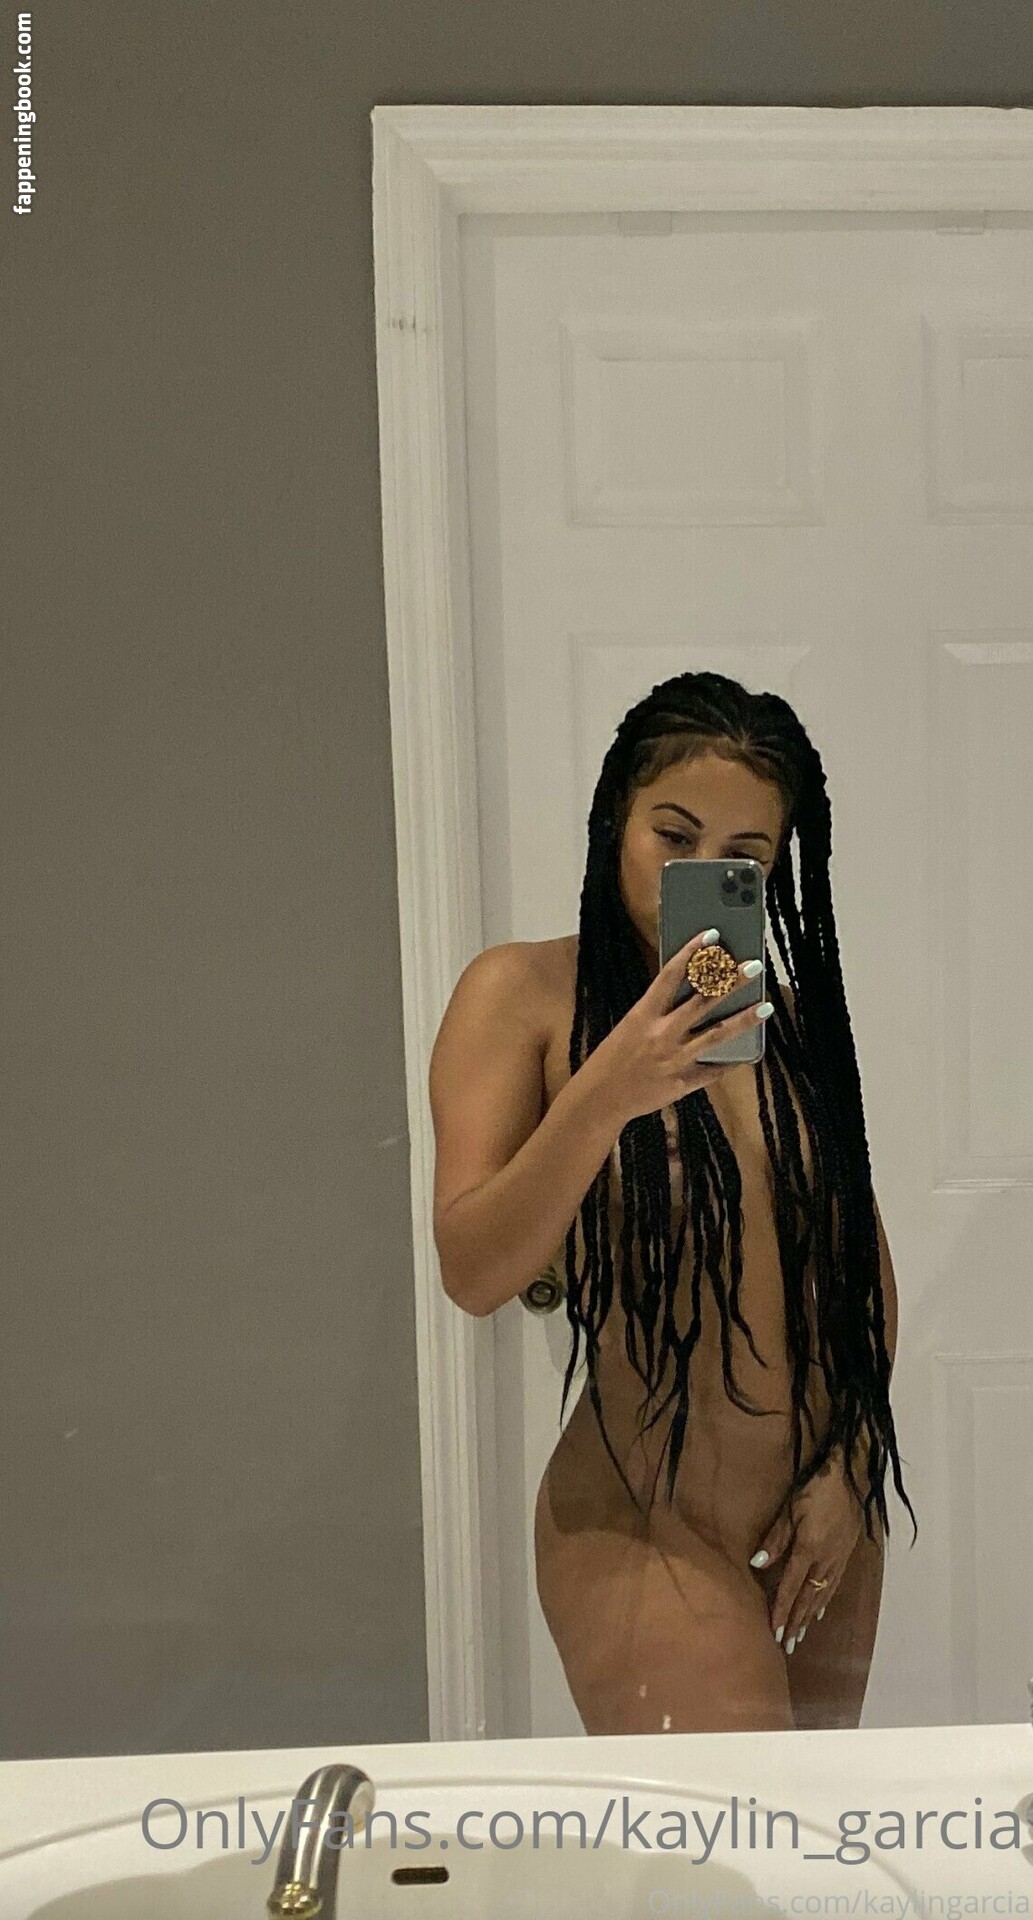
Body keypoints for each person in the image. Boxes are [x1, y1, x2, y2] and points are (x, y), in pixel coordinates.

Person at [429, 670, 917, 1735]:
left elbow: (859, 1270)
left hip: (822, 1512)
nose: (699, 873)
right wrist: (609, 1087)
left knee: (811, 1832)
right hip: (646, 1520)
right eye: (674, 835)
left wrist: (851, 1463)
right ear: (616, 820)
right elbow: (471, 1268)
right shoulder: (521, 995)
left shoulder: (782, 1022)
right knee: (730, 1829)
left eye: (742, 856)